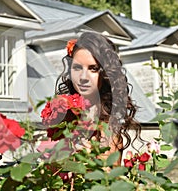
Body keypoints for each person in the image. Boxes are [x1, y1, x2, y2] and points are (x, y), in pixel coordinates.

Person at [55, 31, 143, 166]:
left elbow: (111, 182)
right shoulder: (61, 115)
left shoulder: (109, 129)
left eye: (93, 69)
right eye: (77, 68)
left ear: (106, 74)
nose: (83, 77)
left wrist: (89, 162)